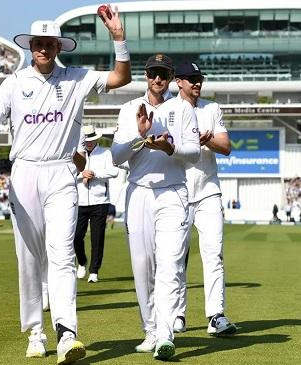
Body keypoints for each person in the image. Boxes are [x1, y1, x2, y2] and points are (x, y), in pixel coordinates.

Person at [0, 7, 131, 363]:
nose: (42, 49)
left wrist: (118, 37)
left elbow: (121, 77)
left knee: (61, 254)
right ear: (31, 46)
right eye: (37, 43)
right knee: (30, 256)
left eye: (49, 43)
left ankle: (67, 333)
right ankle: (35, 331)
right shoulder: (15, 82)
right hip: (25, 173)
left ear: (58, 47)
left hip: (62, 173)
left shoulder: (77, 78)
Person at [110, 54, 200, 360]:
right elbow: (116, 157)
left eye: (163, 74)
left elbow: (194, 155)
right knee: (142, 267)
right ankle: (150, 331)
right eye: (152, 73)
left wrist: (169, 146)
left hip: (173, 192)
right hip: (139, 193)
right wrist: (140, 135)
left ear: (172, 77)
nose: (157, 79)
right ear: (146, 76)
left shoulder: (183, 108)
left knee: (171, 264)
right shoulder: (129, 109)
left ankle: (165, 333)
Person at [171, 62, 237, 337]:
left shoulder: (212, 109)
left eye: (199, 79)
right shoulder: (167, 110)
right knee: (175, 257)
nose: (196, 83)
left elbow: (226, 147)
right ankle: (176, 315)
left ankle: (216, 316)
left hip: (208, 189)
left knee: (214, 253)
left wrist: (207, 141)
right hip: (176, 190)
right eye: (190, 79)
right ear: (178, 82)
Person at [74, 125, 119, 283]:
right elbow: (68, 173)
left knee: (97, 238)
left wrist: (94, 174)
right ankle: (82, 262)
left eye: (92, 140)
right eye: (87, 141)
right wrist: (81, 174)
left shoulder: (106, 153)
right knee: (76, 237)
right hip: (79, 202)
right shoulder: (76, 154)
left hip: (100, 201)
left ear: (96, 139)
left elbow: (114, 172)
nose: (89, 143)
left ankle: (94, 271)